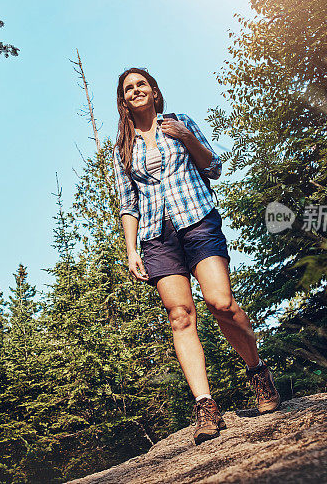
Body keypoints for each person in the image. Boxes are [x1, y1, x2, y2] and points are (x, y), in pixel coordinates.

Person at [111, 68, 281, 446]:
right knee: (180, 316)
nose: (136, 91)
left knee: (220, 303)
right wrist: (131, 249)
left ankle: (257, 372)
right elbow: (128, 204)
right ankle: (205, 405)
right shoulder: (123, 147)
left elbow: (214, 168)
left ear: (154, 92)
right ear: (123, 101)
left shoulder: (181, 123)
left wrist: (186, 138)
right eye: (128, 88)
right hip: (158, 236)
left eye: (141, 84)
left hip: (198, 222)